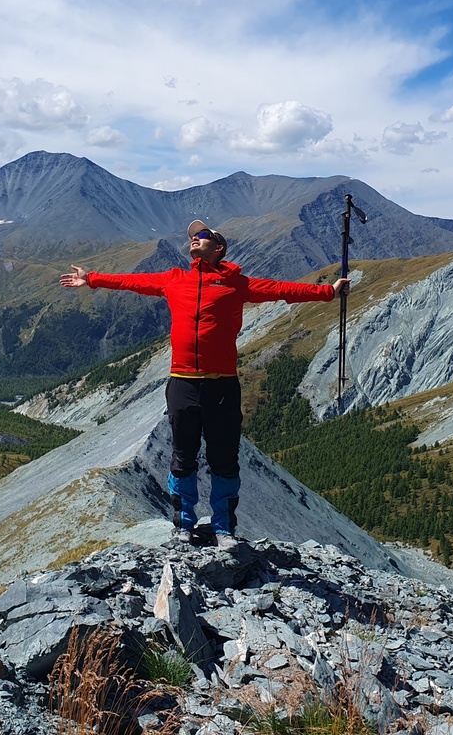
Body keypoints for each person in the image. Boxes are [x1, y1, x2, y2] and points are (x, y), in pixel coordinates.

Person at [59, 219, 349, 548]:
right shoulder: (174, 280)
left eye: (202, 236)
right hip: (183, 382)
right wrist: (92, 278)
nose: (194, 239)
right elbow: (133, 281)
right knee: (183, 457)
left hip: (222, 385)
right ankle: (183, 526)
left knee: (224, 459)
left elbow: (280, 289)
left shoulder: (236, 283)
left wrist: (328, 292)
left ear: (218, 247)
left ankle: (224, 529)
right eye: (193, 237)